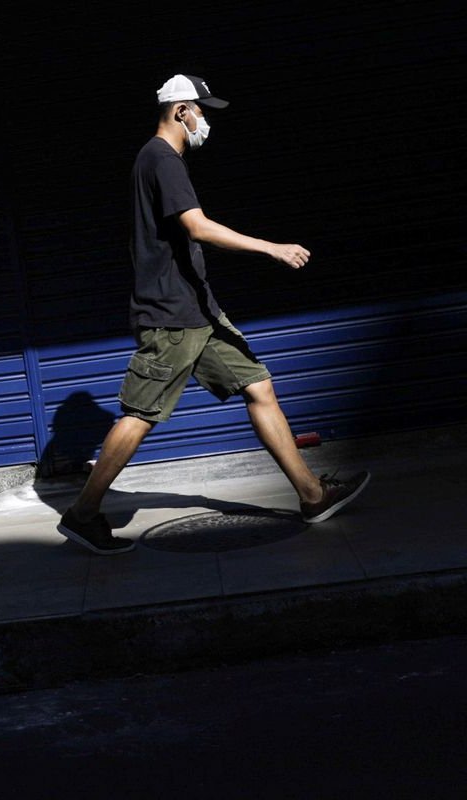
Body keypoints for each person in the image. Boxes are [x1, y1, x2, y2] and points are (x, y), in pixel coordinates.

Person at [56, 74, 369, 555]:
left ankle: (311, 495)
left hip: (196, 310)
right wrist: (272, 247)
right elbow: (197, 228)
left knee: (258, 385)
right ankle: (82, 514)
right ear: (182, 110)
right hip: (172, 314)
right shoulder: (162, 159)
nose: (205, 120)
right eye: (202, 111)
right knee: (140, 415)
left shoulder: (160, 160)